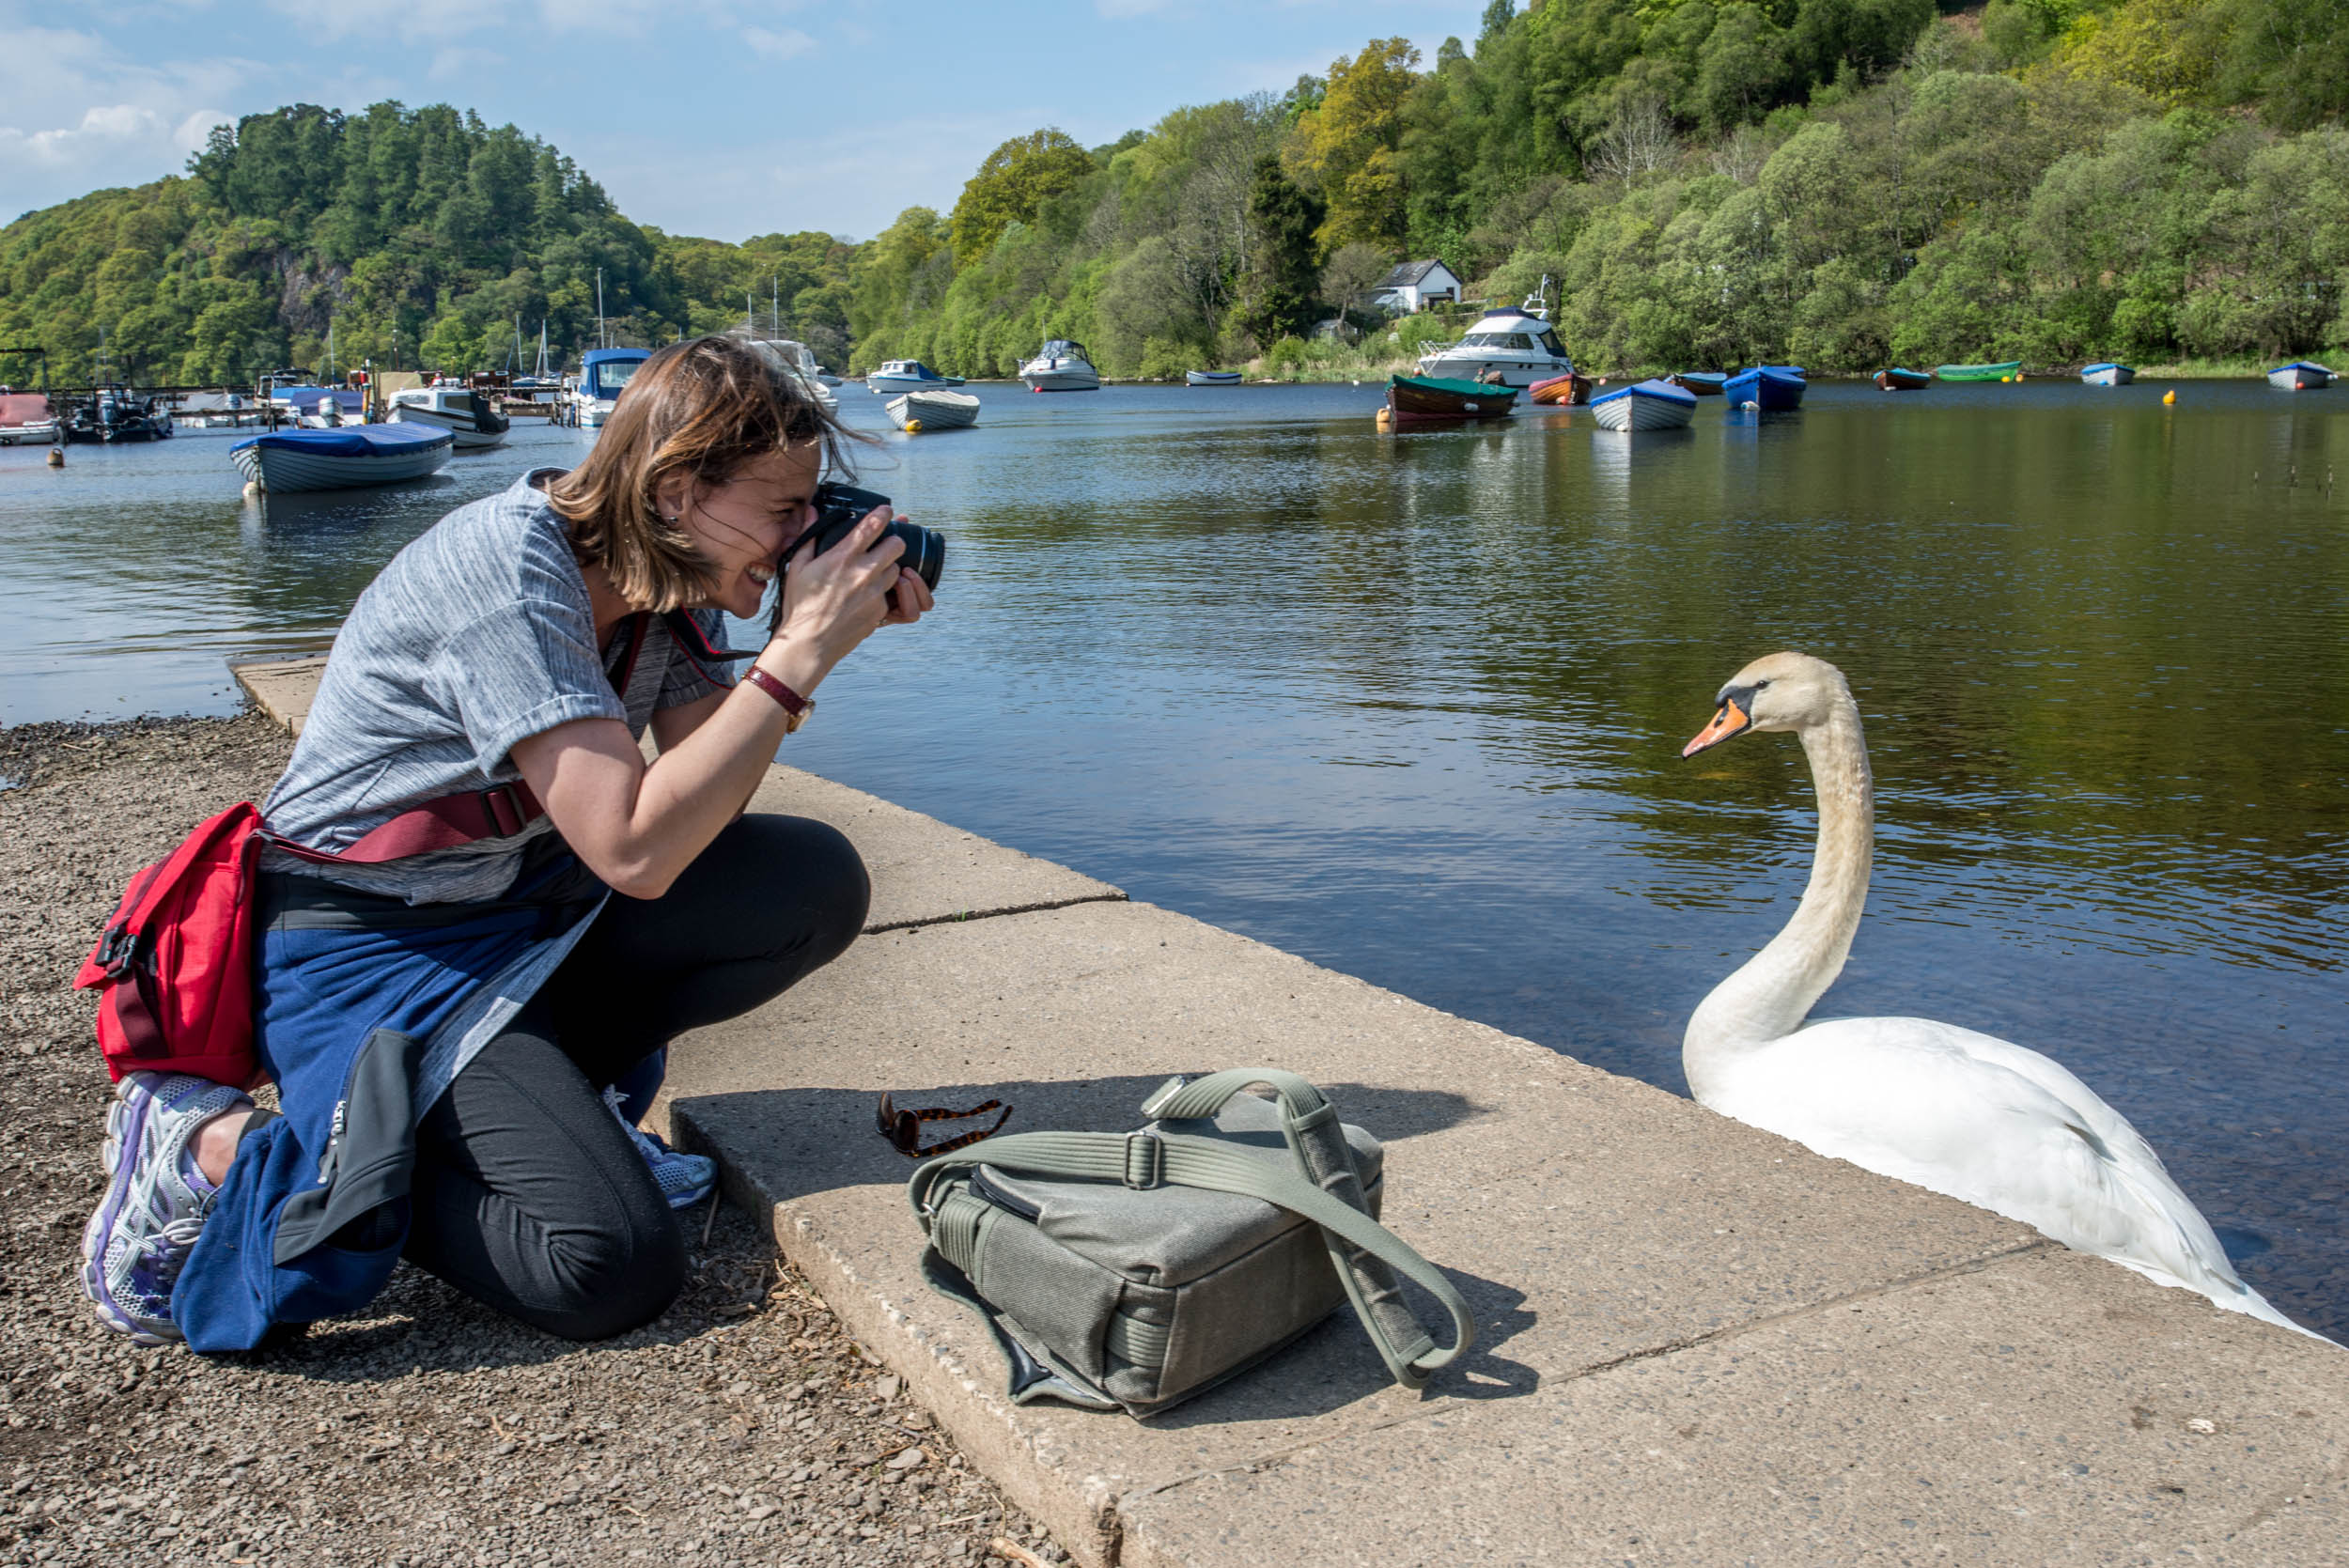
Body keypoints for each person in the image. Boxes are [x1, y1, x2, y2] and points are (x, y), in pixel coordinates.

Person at [80, 335, 932, 1352]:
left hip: (515, 916)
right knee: (605, 1264)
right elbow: (633, 852)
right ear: (671, 491)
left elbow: (707, 806)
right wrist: (790, 660)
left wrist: (815, 637)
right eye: (783, 511)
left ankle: (547, 1107)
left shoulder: (662, 580)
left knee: (804, 879)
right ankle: (208, 1147)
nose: (803, 535)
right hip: (364, 949)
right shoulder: (511, 573)